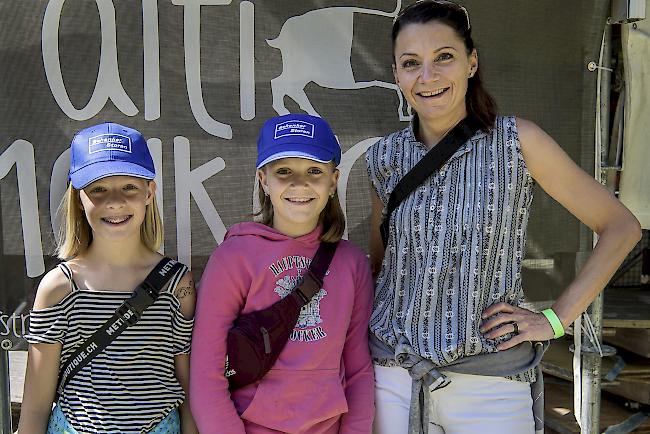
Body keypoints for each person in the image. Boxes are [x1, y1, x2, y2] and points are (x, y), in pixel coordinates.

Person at [365, 2, 642, 434]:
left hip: (490, 383)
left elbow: (621, 227)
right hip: (393, 377)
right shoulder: (382, 158)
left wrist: (554, 320)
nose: (428, 76)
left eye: (444, 57)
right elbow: (382, 267)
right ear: (397, 75)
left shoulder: (518, 141)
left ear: (471, 62)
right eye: (411, 63)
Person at [190, 113, 375, 433]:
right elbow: (207, 373)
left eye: (314, 171)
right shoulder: (234, 258)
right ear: (263, 179)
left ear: (333, 180)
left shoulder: (352, 263)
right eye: (284, 171)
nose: (299, 184)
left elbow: (359, 369)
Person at [18, 122, 198, 433]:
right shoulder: (59, 288)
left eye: (129, 186)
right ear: (78, 197)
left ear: (149, 192)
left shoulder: (177, 284)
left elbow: (191, 394)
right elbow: (34, 408)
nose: (114, 201)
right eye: (98, 189)